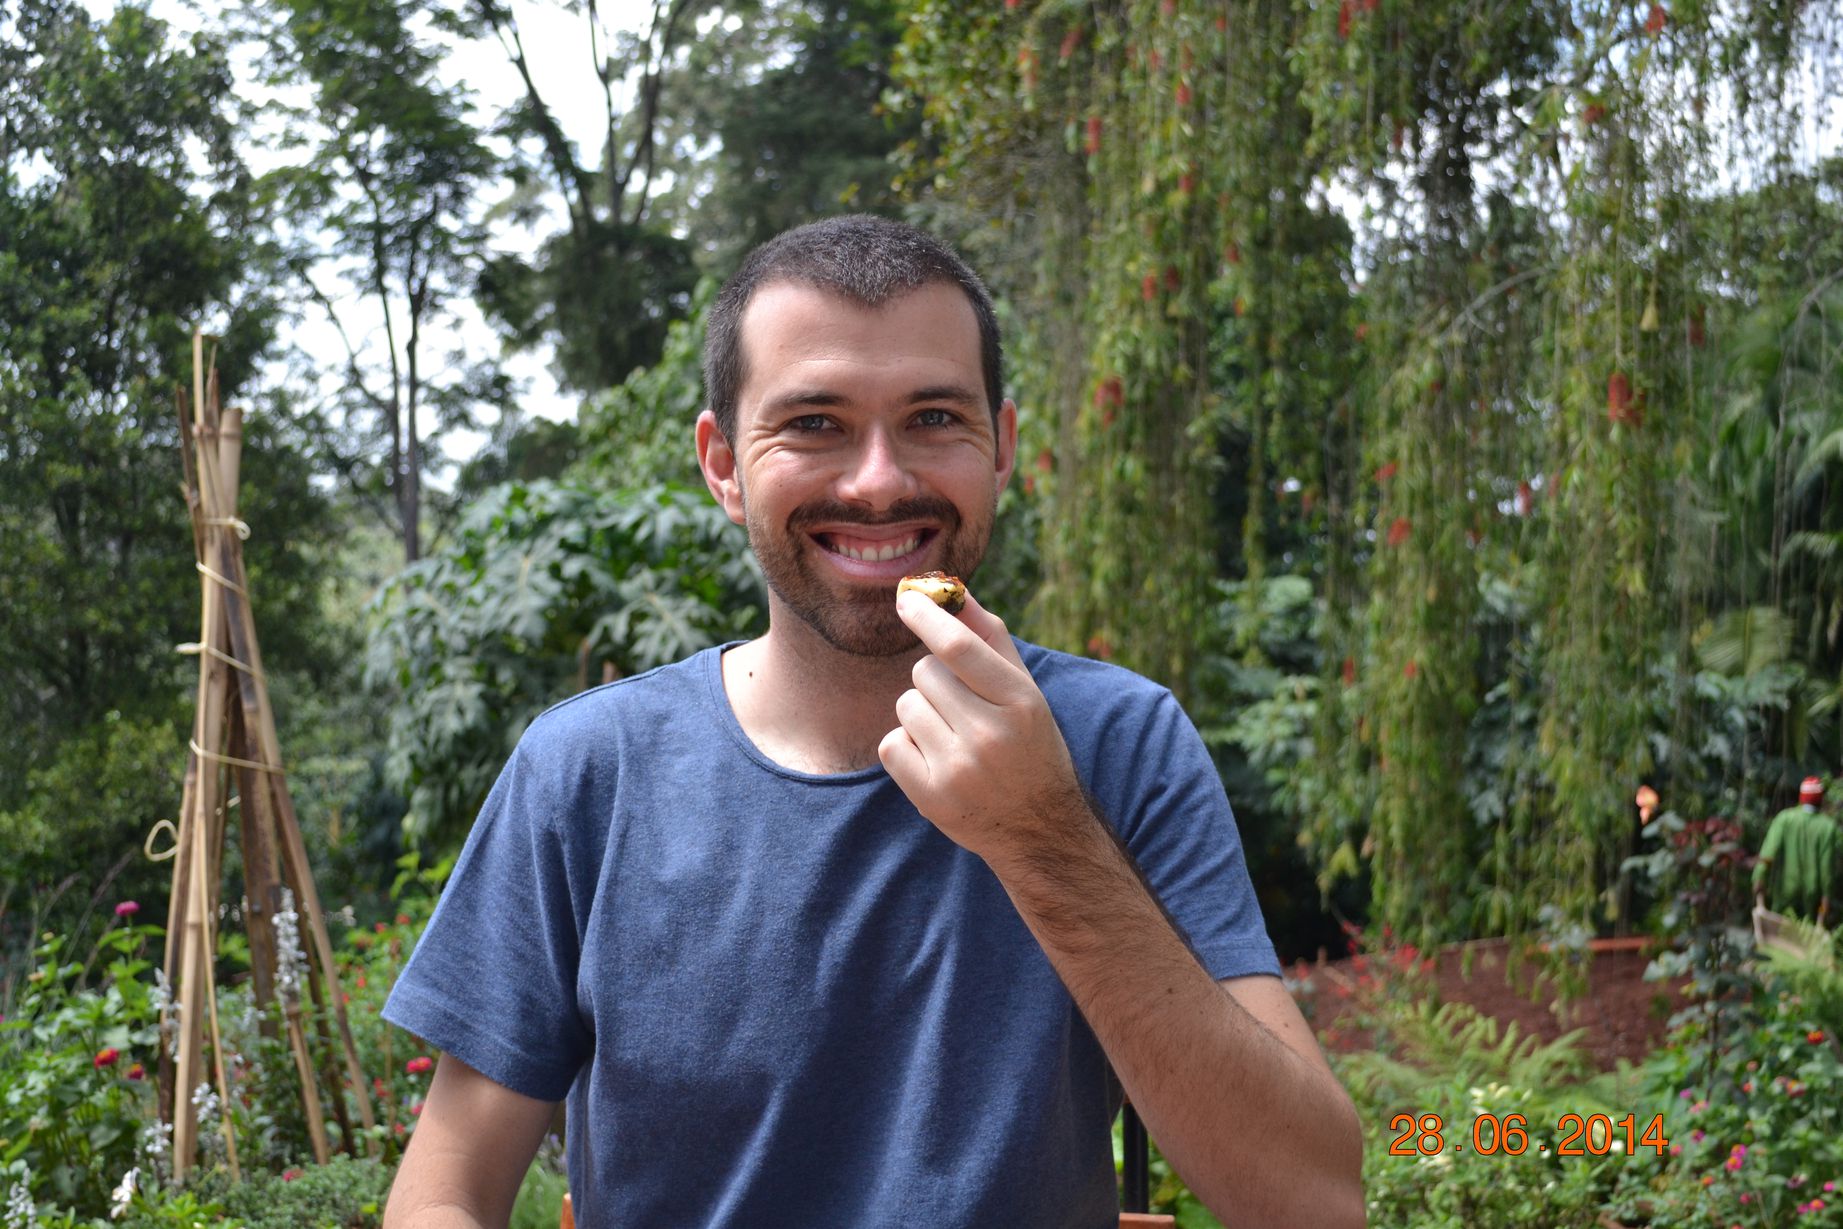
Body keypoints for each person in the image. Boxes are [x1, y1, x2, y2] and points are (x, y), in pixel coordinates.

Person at [379, 216, 1364, 1229]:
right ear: (722, 463)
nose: (880, 480)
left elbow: (1313, 1201)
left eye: (935, 415)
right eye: (814, 423)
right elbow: (444, 1188)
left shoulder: (1121, 742)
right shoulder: (587, 771)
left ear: (1003, 445)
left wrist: (1043, 835)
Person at [1753, 776, 1840, 925]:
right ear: (1820, 799)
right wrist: (1822, 915)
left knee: (1778, 936)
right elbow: (1827, 876)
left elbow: (1767, 856)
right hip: (1810, 900)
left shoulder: (1785, 819)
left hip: (1783, 894)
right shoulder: (1828, 827)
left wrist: (1759, 886)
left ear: (1801, 797)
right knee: (1803, 939)